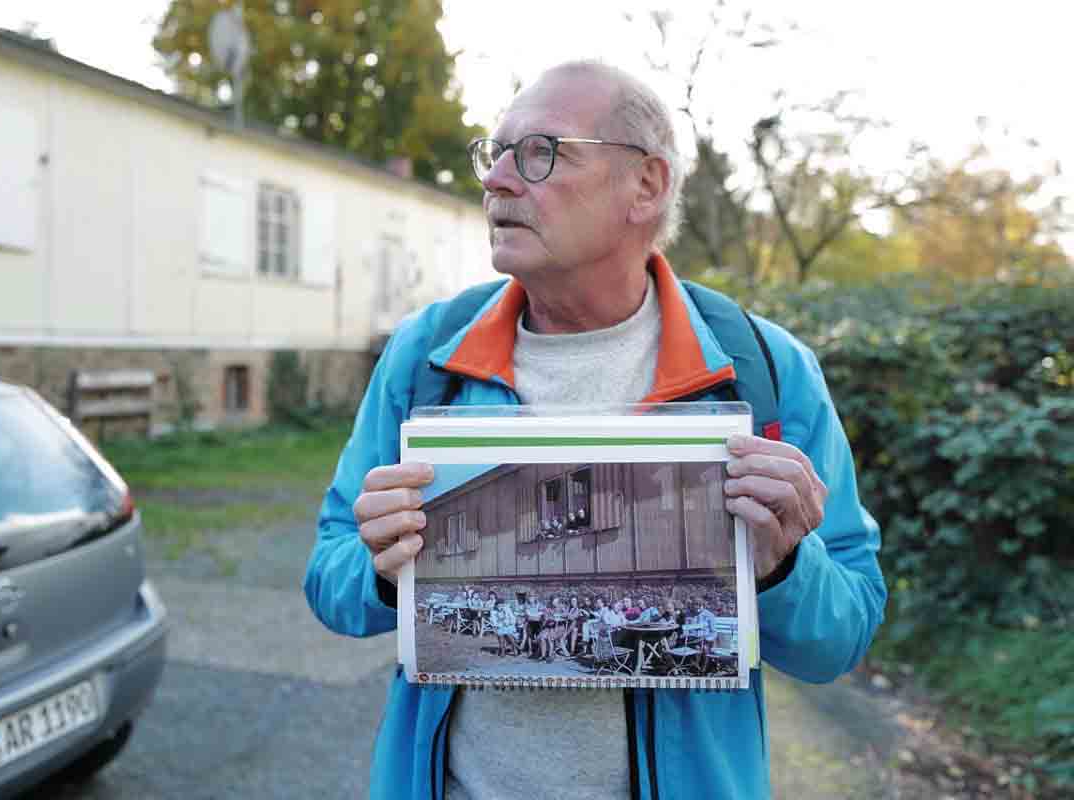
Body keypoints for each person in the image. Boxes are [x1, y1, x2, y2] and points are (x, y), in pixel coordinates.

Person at [304, 59, 886, 799]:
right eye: (496, 153)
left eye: (542, 152)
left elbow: (842, 636)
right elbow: (329, 580)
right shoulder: (426, 356)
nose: (497, 180)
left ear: (645, 185)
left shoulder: (764, 369)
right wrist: (380, 568)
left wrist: (780, 568)